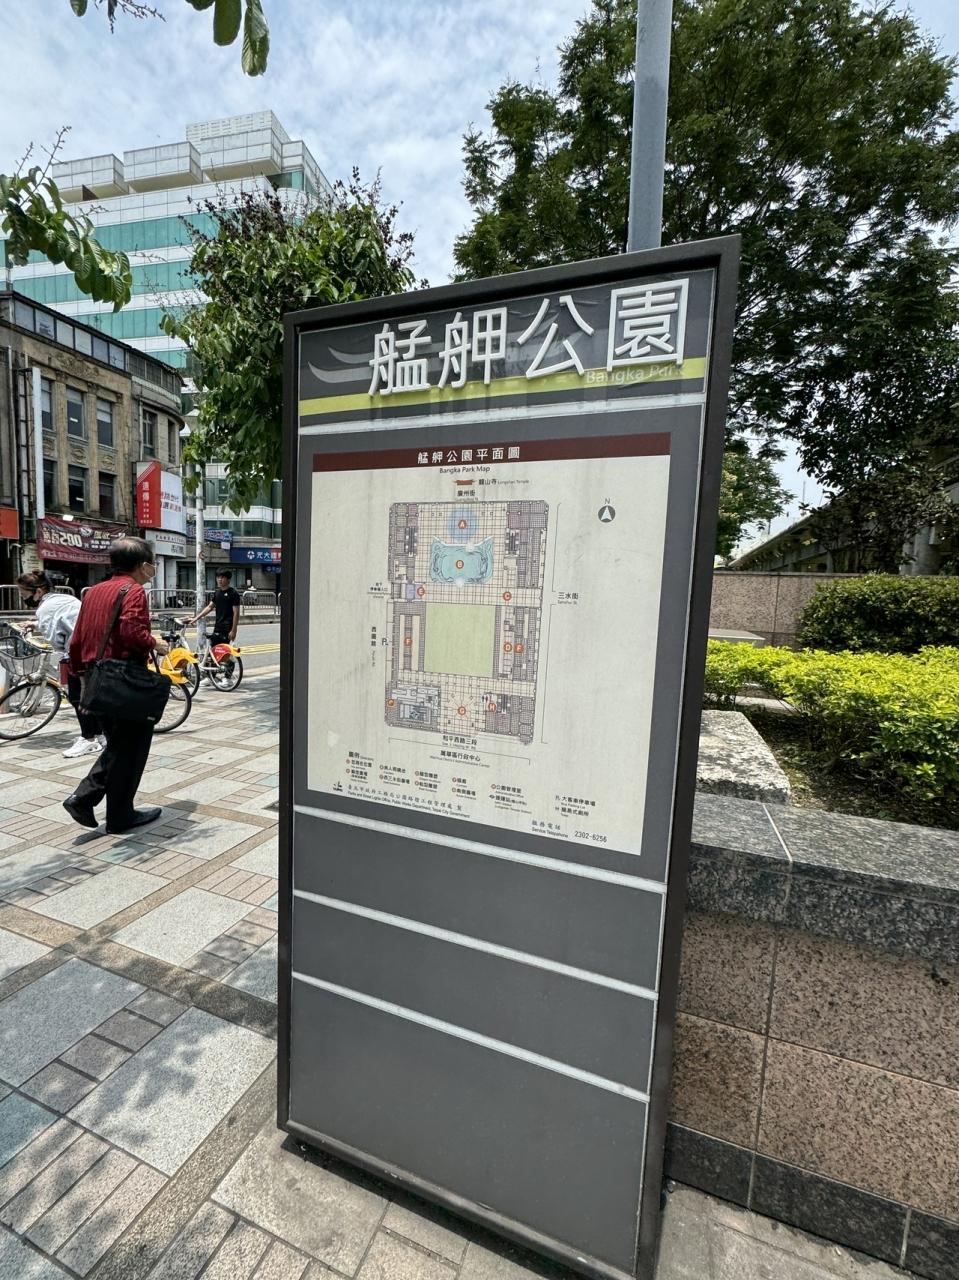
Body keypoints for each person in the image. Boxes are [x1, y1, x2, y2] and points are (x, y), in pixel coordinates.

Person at [63, 537, 170, 835]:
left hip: (97, 679)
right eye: (152, 563)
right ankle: (96, 804)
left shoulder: (93, 592)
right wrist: (155, 643)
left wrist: (81, 677)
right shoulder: (133, 590)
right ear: (143, 565)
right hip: (124, 681)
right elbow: (131, 631)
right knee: (131, 747)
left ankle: (103, 807)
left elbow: (77, 639)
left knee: (121, 745)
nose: (153, 569)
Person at [16, 572, 105, 759]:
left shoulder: (44, 609)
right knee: (85, 695)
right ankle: (99, 735)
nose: (23, 598)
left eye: (24, 594)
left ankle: (89, 739)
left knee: (77, 697)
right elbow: (67, 620)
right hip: (94, 649)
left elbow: (56, 641)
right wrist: (37, 624)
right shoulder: (64, 598)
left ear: (38, 591)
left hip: (79, 653)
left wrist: (42, 628)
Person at [186, 569, 240, 647]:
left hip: (227, 628)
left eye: (222, 577)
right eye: (218, 577)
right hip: (218, 626)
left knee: (222, 650)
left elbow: (236, 613)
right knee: (214, 649)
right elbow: (209, 607)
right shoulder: (217, 593)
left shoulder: (233, 593)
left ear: (228, 579)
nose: (219, 580)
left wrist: (234, 630)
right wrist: (196, 618)